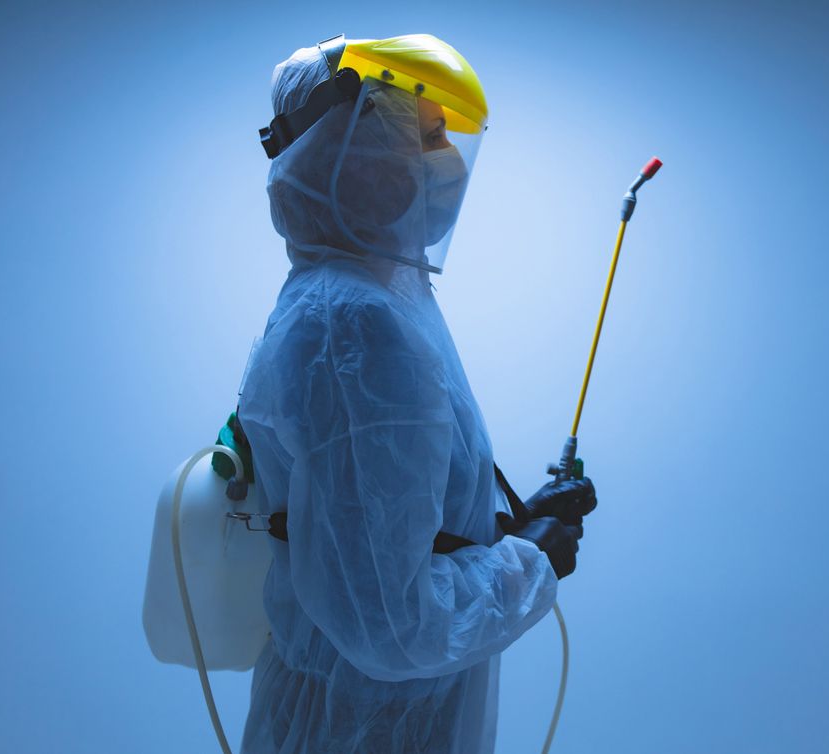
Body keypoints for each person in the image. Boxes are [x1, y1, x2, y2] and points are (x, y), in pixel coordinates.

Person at [236, 35, 598, 753]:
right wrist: (529, 561)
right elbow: (390, 625)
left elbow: (378, 533)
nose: (448, 160)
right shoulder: (354, 328)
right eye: (427, 136)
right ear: (347, 149)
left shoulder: (365, 302)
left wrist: (504, 529)